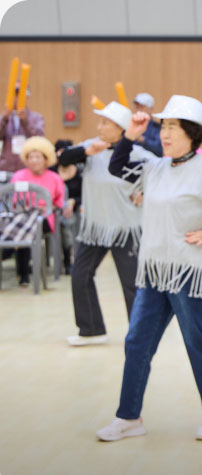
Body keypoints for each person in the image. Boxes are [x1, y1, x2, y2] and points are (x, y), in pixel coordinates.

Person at [95, 95, 202, 442]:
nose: (165, 134)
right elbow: (116, 167)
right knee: (136, 342)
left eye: (173, 127)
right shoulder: (154, 168)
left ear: (192, 133)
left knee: (198, 342)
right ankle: (129, 418)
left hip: (189, 273)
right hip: (154, 272)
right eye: (163, 127)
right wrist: (130, 136)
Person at [59, 102, 157, 347]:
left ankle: (141, 335)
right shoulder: (91, 147)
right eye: (100, 122)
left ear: (121, 129)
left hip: (126, 229)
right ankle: (91, 330)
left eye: (105, 123)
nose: (99, 127)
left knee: (132, 284)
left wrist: (145, 192)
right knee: (80, 276)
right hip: (94, 229)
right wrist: (87, 152)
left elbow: (162, 176)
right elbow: (62, 158)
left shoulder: (138, 154)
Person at [9, 136, 64, 285]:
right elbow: (13, 200)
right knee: (22, 228)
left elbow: (60, 201)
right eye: (30, 157)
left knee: (30, 228)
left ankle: (29, 272)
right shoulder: (19, 176)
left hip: (45, 217)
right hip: (23, 216)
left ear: (46, 159)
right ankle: (24, 274)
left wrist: (49, 207)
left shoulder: (54, 178)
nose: (33, 160)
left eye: (37, 157)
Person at [0, 84, 45, 172]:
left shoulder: (36, 118)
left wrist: (25, 121)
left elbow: (39, 138)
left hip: (28, 168)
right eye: (14, 94)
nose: (16, 98)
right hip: (6, 168)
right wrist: (4, 119)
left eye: (20, 95)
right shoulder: (3, 118)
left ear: (27, 96)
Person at [50, 139, 79, 274]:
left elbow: (85, 193)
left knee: (66, 221)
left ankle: (69, 260)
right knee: (62, 220)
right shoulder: (51, 172)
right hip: (55, 208)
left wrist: (73, 202)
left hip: (74, 208)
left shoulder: (79, 171)